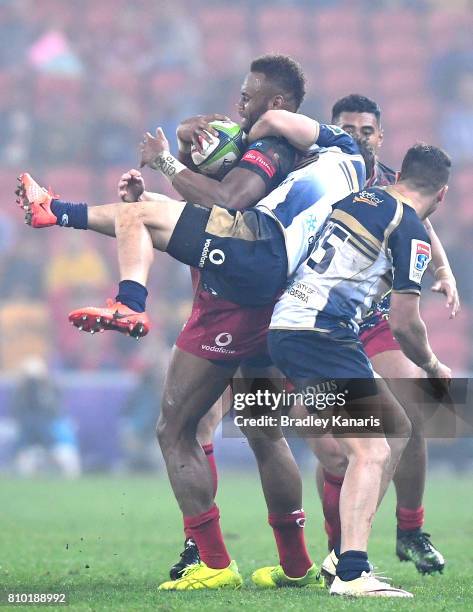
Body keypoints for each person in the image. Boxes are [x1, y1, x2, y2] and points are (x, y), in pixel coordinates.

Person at [18, 102, 368, 590]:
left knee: (176, 428)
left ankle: (213, 560)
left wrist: (166, 162)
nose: (240, 107)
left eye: (248, 99)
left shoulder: (262, 160)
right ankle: (295, 563)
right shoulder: (301, 166)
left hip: (229, 311)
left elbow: (219, 200)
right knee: (264, 433)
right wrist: (98, 206)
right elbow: (176, 200)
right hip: (270, 307)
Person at [264, 143, 452, 597]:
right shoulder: (408, 227)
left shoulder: (359, 200)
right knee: (369, 451)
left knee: (393, 431)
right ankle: (352, 571)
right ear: (442, 195)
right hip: (322, 335)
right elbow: (405, 323)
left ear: (401, 174)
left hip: (291, 326)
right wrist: (430, 364)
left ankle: (342, 557)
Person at [312, 94, 459, 576]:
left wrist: (444, 270)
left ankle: (411, 530)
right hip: (319, 317)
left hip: (371, 318)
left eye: (366, 130)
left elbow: (419, 223)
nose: (357, 137)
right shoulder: (313, 175)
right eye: (346, 128)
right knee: (338, 448)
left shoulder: (391, 182)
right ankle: (339, 550)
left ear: (380, 136)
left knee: (414, 410)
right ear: (330, 131)